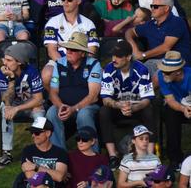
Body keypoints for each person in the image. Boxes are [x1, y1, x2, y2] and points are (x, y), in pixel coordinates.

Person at [99, 39, 155, 169]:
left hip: (138, 107)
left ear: (129, 57)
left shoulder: (142, 69)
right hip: (117, 108)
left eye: (118, 56)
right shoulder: (108, 69)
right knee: (103, 111)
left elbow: (147, 99)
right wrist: (119, 105)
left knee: (149, 109)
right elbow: (105, 98)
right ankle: (113, 156)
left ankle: (150, 155)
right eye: (113, 55)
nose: (114, 59)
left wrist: (134, 108)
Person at [45, 32, 102, 152]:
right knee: (51, 112)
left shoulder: (93, 64)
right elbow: (53, 91)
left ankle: (92, 154)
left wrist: (74, 108)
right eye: (67, 48)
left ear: (82, 53)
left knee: (83, 115)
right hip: (64, 105)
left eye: (73, 49)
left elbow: (93, 96)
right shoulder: (59, 63)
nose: (68, 52)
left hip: (87, 106)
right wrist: (60, 106)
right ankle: (59, 155)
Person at [0, 43, 45, 169]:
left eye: (9, 60)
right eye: (4, 59)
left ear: (20, 62)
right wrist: (11, 80)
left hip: (30, 104)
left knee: (39, 110)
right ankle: (6, 153)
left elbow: (38, 99)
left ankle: (41, 149)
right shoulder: (2, 73)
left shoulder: (32, 71)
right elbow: (6, 99)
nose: (5, 63)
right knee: (4, 108)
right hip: (15, 104)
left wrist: (17, 108)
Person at [126, 0, 191, 80]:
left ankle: (144, 92)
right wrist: (134, 47)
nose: (152, 8)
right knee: (132, 73)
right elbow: (129, 32)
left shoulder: (177, 22)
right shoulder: (150, 24)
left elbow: (165, 47)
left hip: (176, 62)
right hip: (154, 62)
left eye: (155, 6)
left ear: (166, 8)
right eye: (151, 5)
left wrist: (143, 55)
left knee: (159, 76)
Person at [157, 51, 191, 172]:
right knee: (169, 113)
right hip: (179, 107)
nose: (163, 74)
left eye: (167, 72)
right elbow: (170, 100)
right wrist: (183, 109)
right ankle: (175, 159)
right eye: (163, 70)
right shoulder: (162, 76)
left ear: (178, 72)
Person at [18, 117, 68, 188]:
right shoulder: (28, 150)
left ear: (48, 133)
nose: (33, 136)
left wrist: (35, 167)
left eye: (37, 133)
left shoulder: (60, 152)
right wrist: (52, 174)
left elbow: (59, 177)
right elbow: (29, 174)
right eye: (32, 132)